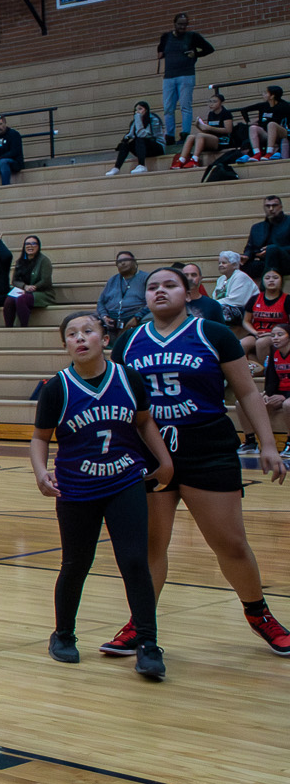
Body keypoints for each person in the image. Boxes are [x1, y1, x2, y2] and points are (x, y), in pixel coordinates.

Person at [114, 267, 288, 659]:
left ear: (189, 292)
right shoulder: (128, 342)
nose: (160, 291)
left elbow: (247, 392)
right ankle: (141, 623)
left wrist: (268, 444)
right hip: (150, 451)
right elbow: (123, 402)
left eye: (169, 285)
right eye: (153, 287)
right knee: (151, 546)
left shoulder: (214, 334)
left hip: (207, 448)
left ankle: (258, 614)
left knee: (230, 543)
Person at [30, 312, 174, 675]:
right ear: (65, 345)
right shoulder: (57, 388)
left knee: (135, 561)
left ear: (104, 339)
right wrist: (40, 472)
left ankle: (148, 643)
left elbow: (144, 421)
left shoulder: (128, 378)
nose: (80, 338)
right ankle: (63, 635)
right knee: (76, 564)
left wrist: (164, 460)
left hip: (124, 481)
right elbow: (40, 437)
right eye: (72, 334)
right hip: (76, 488)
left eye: (87, 331)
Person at [156, 11, 213, 144]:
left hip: (186, 75)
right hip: (169, 76)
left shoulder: (192, 36)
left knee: (185, 106)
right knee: (168, 107)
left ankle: (185, 134)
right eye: (180, 24)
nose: (182, 27)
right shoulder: (166, 37)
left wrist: (196, 53)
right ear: (174, 24)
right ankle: (169, 135)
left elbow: (209, 48)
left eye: (185, 24)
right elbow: (160, 51)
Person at [172, 88, 235, 169]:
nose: (211, 104)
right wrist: (199, 126)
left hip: (223, 140)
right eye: (210, 102)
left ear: (221, 103)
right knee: (191, 136)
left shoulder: (226, 113)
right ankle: (181, 160)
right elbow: (208, 131)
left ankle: (195, 159)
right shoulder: (211, 114)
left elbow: (228, 130)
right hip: (212, 138)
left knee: (200, 135)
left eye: (214, 102)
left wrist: (209, 127)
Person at [2, 235, 54, 327]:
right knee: (9, 300)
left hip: (41, 292)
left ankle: (24, 327)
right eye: (28, 244)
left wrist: (33, 287)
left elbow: (45, 281)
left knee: (22, 299)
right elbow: (15, 281)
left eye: (34, 243)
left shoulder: (44, 261)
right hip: (24, 290)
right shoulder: (20, 261)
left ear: (38, 246)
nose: (30, 246)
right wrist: (24, 287)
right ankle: (8, 328)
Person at [96, 250, 149, 338]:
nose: (122, 263)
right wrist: (104, 316)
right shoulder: (112, 280)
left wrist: (137, 317)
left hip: (136, 319)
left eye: (126, 260)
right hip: (112, 322)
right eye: (119, 262)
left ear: (134, 262)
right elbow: (101, 302)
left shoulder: (146, 278)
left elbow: (151, 302)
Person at [106, 101, 163, 175]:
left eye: (140, 109)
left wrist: (138, 119)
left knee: (140, 139)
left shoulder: (153, 119)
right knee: (125, 145)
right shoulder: (135, 121)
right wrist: (125, 140)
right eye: (136, 110)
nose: (137, 112)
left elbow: (142, 135)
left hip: (157, 147)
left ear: (146, 110)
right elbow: (131, 134)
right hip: (143, 148)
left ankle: (142, 165)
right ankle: (116, 168)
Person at [242, 194, 290, 280]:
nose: (271, 209)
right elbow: (249, 248)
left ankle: (265, 285)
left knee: (272, 249)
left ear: (280, 207)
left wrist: (275, 250)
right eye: (268, 206)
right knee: (234, 261)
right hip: (264, 262)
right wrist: (247, 256)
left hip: (285, 262)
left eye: (274, 205)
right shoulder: (257, 227)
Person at [245, 84, 288, 160]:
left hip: (282, 132)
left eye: (266, 93)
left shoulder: (285, 106)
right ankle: (257, 153)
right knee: (253, 128)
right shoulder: (264, 106)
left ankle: (269, 152)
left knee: (271, 124)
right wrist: (248, 121)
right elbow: (244, 110)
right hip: (268, 133)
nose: (263, 94)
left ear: (272, 96)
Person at [214, 250, 258, 318]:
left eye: (224, 263)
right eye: (219, 263)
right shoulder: (221, 279)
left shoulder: (240, 276)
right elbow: (215, 297)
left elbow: (236, 300)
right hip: (224, 308)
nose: (220, 265)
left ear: (234, 265)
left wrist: (213, 304)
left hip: (245, 312)